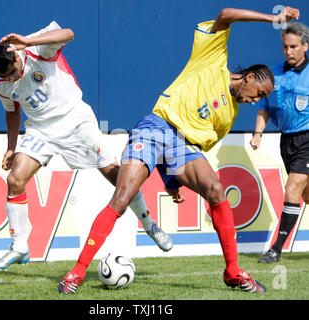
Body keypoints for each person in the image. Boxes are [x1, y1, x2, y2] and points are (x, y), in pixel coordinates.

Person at [58, 6, 300, 295]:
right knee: (122, 197)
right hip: (155, 127)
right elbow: (225, 14)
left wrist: (172, 180)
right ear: (248, 78)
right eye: (258, 94)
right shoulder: (213, 57)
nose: (255, 101)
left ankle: (233, 272)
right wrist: (272, 18)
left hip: (182, 146)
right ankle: (76, 273)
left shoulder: (228, 117)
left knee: (215, 189)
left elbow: (192, 148)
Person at [0, 21, 173, 270]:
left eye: (13, 70)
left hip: (75, 120)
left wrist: (30, 41)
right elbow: (12, 111)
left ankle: (149, 224)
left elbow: (70, 33)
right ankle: (19, 246)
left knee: (117, 178)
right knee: (14, 181)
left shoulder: (35, 48)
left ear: (15, 54)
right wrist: (11, 147)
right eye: (6, 76)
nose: (12, 78)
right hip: (41, 129)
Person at [250, 22, 309, 263]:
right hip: (287, 141)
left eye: (293, 46)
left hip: (308, 137)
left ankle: (276, 248)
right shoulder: (273, 74)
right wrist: (257, 133)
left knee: (292, 188)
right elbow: (263, 107)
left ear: (305, 46)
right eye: (285, 46)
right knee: (305, 195)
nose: (288, 51)